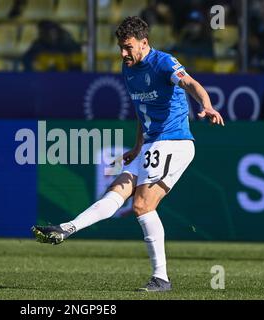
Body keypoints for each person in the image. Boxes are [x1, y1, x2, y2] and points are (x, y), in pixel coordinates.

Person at [31, 16, 224, 292]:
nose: (123, 53)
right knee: (115, 193)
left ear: (144, 43)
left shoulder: (163, 62)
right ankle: (67, 228)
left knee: (142, 205)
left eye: (128, 47)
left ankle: (161, 278)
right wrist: (137, 147)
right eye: (121, 47)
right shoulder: (128, 68)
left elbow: (191, 84)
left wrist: (207, 106)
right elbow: (140, 111)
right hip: (151, 143)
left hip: (173, 141)